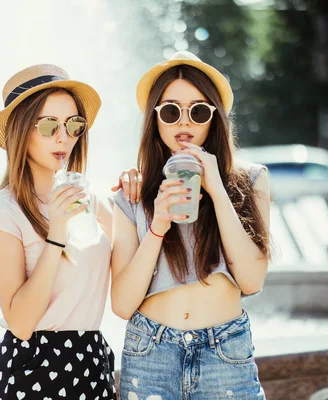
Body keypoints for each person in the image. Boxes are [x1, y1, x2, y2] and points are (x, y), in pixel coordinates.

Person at [111, 51, 271, 399]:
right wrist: (157, 226)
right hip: (150, 353)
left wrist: (215, 186)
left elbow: (252, 279)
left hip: (224, 352)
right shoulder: (132, 192)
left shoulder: (251, 180)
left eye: (198, 111)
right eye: (170, 111)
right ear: (155, 119)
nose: (184, 123)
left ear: (215, 118)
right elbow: (122, 305)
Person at [0, 64, 137, 399]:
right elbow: (20, 323)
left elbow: (136, 250)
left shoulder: (88, 199)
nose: (63, 137)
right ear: (21, 130)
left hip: (91, 363)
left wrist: (135, 191)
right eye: (49, 125)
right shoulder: (2, 211)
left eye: (73, 124)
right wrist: (56, 235)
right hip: (32, 368)